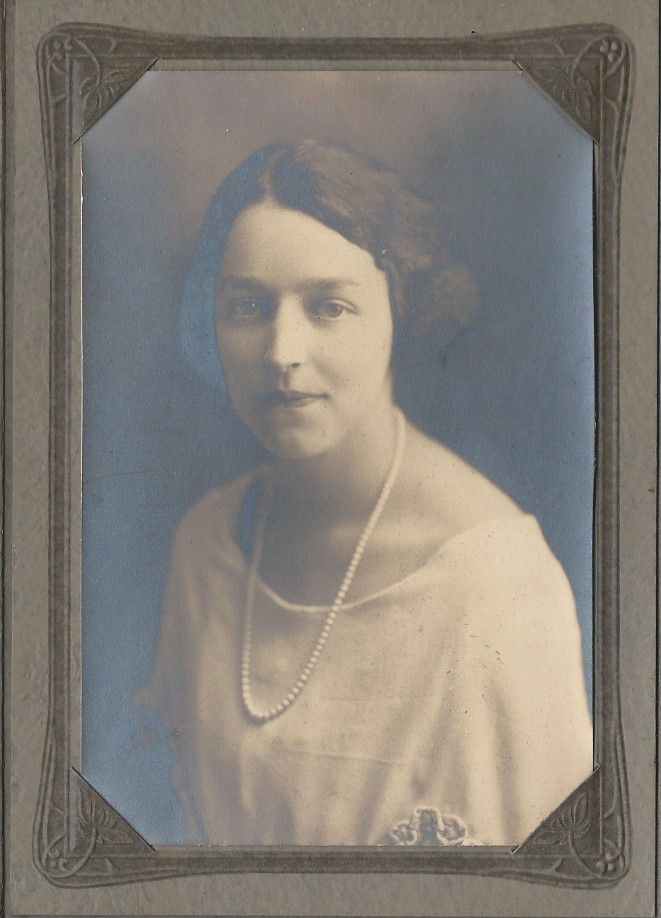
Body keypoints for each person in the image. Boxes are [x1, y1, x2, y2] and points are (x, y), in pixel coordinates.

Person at [136, 140, 592, 847]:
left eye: (328, 307)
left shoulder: (497, 583)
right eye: (248, 306)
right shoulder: (206, 544)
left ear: (398, 314)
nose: (281, 351)